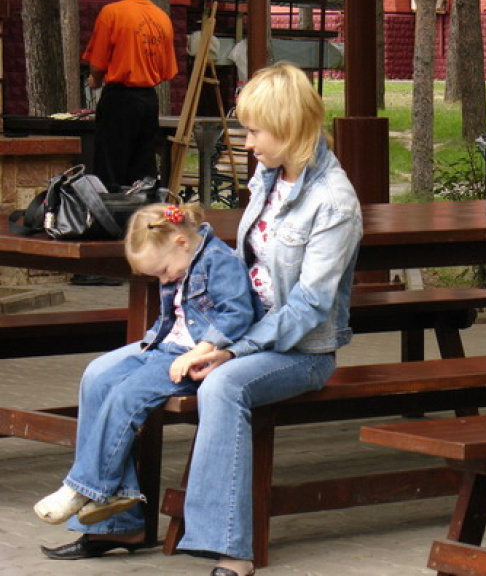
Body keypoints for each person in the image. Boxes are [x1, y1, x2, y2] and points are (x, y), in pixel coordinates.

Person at [41, 63, 363, 576]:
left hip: (299, 351)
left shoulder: (334, 202)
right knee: (100, 373)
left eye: (255, 131)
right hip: (239, 330)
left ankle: (228, 548)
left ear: (289, 128)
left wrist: (228, 349)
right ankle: (116, 522)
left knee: (222, 386)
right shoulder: (270, 175)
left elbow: (309, 307)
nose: (247, 143)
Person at [36, 203, 261, 555]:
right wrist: (147, 347)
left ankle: (84, 487)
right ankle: (117, 520)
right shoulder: (178, 258)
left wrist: (199, 351)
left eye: (165, 271)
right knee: (100, 379)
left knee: (127, 395)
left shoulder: (221, 262)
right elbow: (171, 317)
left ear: (181, 242)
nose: (165, 280)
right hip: (166, 348)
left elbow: (237, 315)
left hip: (194, 359)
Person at [83, 0, 178, 193]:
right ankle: (139, 210)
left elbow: (97, 64)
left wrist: (95, 80)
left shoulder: (112, 13)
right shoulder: (163, 18)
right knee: (143, 166)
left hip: (119, 98)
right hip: (148, 99)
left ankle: (111, 210)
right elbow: (167, 70)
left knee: (110, 166)